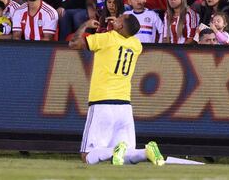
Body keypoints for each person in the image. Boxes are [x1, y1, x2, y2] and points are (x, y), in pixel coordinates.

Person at [69, 14, 165, 166]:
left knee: (86, 155)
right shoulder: (136, 45)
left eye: (119, 18)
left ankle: (114, 151)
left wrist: (85, 25)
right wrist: (116, 25)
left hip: (102, 102)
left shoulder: (107, 38)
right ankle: (146, 151)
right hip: (124, 105)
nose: (116, 18)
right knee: (127, 156)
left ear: (120, 26)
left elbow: (74, 44)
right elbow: (123, 35)